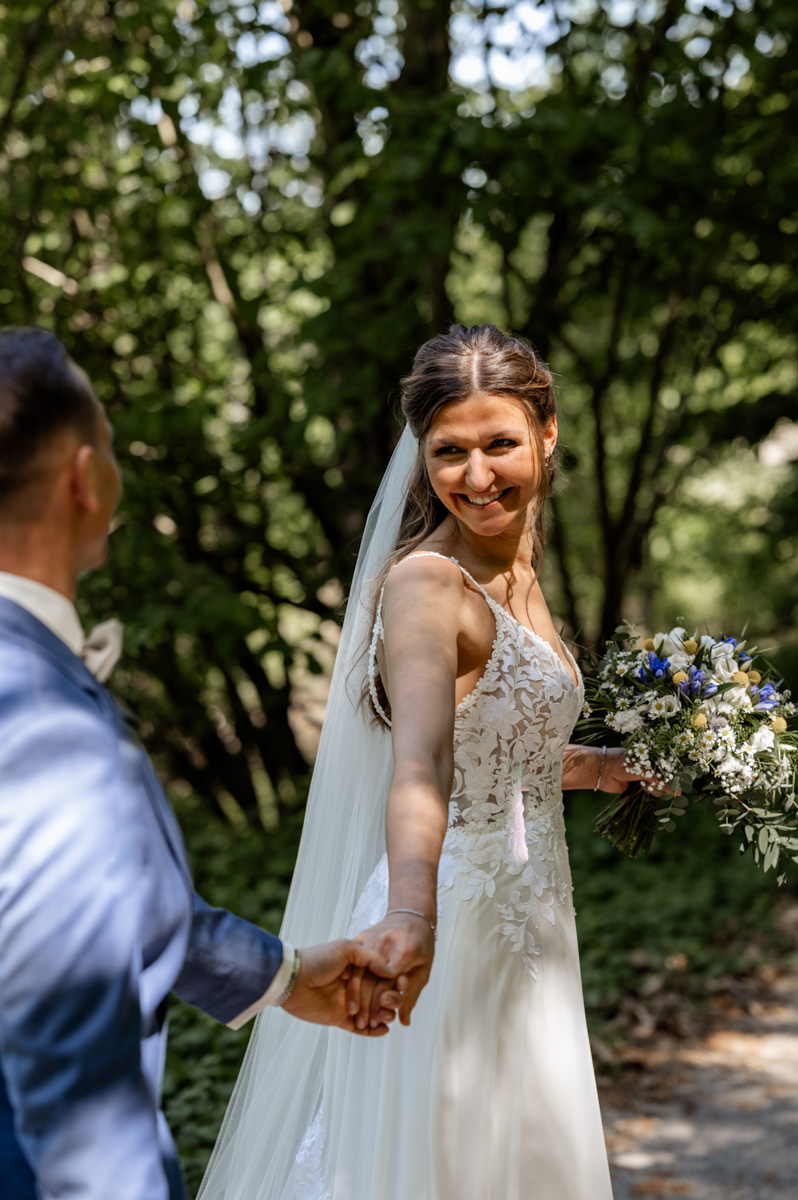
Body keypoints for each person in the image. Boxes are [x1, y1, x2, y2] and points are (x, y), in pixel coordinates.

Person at [200, 323, 646, 1200]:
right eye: (449, 452)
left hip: (532, 920)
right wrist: (413, 913)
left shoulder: (518, 572)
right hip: (452, 920)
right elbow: (422, 765)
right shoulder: (427, 584)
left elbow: (498, 752)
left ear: (548, 433)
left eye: (500, 444)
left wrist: (602, 767)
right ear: (421, 456)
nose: (477, 476)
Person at [0, 327, 401, 1200]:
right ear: (84, 478)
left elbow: (119, 902)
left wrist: (284, 976)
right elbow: (71, 1072)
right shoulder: (34, 708)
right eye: (111, 442)